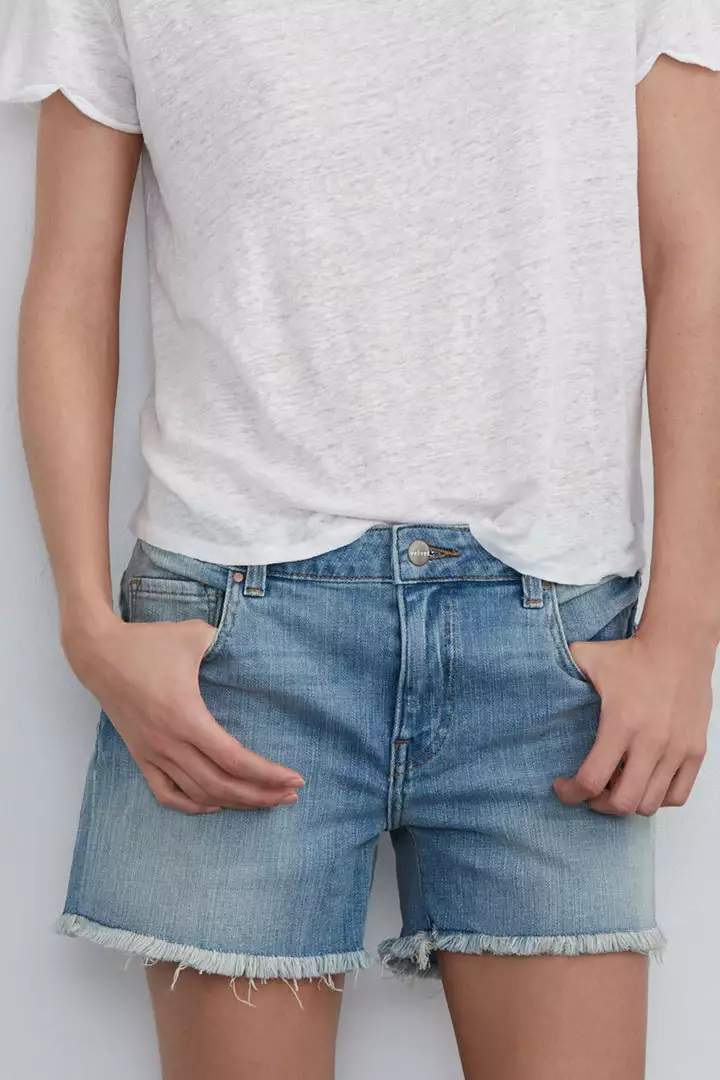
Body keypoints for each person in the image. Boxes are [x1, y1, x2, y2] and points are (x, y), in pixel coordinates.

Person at [1, 1, 719, 1077]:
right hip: (235, 637)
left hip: (557, 645)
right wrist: (86, 625)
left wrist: (687, 633)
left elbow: (694, 258)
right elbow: (67, 287)